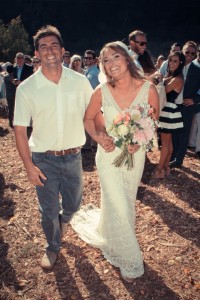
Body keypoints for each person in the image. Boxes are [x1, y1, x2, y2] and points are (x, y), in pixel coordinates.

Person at [71, 41, 159, 282]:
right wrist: (99, 137)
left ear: (127, 59)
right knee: (117, 200)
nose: (110, 64)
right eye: (105, 60)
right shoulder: (101, 91)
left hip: (135, 156)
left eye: (115, 57)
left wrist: (140, 141)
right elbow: (89, 119)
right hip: (108, 156)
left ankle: (111, 233)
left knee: (125, 200)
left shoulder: (148, 89)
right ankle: (130, 260)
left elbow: (153, 122)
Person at [14, 25, 93, 270]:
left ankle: (63, 222)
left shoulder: (80, 83)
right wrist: (29, 166)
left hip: (73, 157)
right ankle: (52, 247)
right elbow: (19, 130)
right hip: (43, 159)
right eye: (44, 46)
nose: (50, 50)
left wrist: (105, 137)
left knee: (73, 205)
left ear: (63, 51)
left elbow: (93, 115)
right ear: (36, 53)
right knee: (48, 210)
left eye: (54, 45)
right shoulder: (26, 89)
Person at [154, 51, 185, 178]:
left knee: (165, 143)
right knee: (168, 142)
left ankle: (159, 169)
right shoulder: (171, 76)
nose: (171, 63)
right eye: (170, 60)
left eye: (175, 61)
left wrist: (159, 80)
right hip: (167, 110)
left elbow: (164, 90)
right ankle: (166, 167)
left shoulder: (177, 78)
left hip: (169, 111)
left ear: (180, 63)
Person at [170, 41, 200, 168]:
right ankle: (171, 156)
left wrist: (195, 99)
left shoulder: (198, 70)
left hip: (186, 107)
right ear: (182, 50)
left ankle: (178, 160)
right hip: (172, 104)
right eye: (187, 51)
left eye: (192, 53)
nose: (189, 55)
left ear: (195, 55)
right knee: (172, 132)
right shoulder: (173, 64)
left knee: (183, 134)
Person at [188, 44, 200, 157]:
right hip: (189, 98)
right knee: (193, 123)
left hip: (197, 98)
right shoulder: (192, 63)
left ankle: (198, 148)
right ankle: (191, 143)